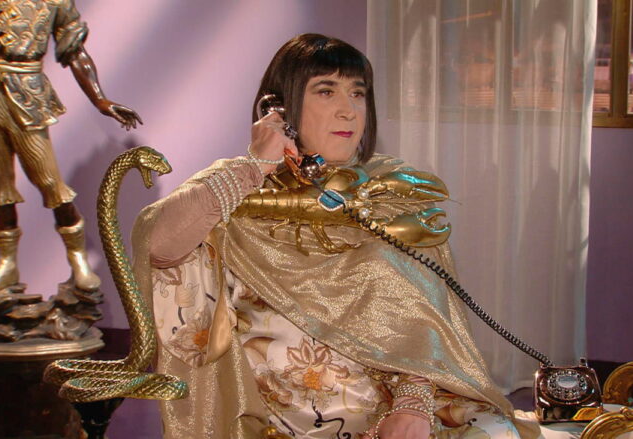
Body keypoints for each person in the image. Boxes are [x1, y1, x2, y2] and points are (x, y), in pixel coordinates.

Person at [134, 33, 540, 439]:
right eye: (326, 91)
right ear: (279, 107)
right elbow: (158, 248)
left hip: (398, 409)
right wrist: (255, 166)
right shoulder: (233, 190)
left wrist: (413, 403)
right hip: (277, 422)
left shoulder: (392, 193)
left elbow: (427, 323)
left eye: (358, 93)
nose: (349, 111)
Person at [0, 0, 141, 294]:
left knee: (50, 183)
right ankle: (7, 265)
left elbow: (75, 52)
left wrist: (100, 99)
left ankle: (78, 260)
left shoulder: (55, 2)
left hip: (28, 94)